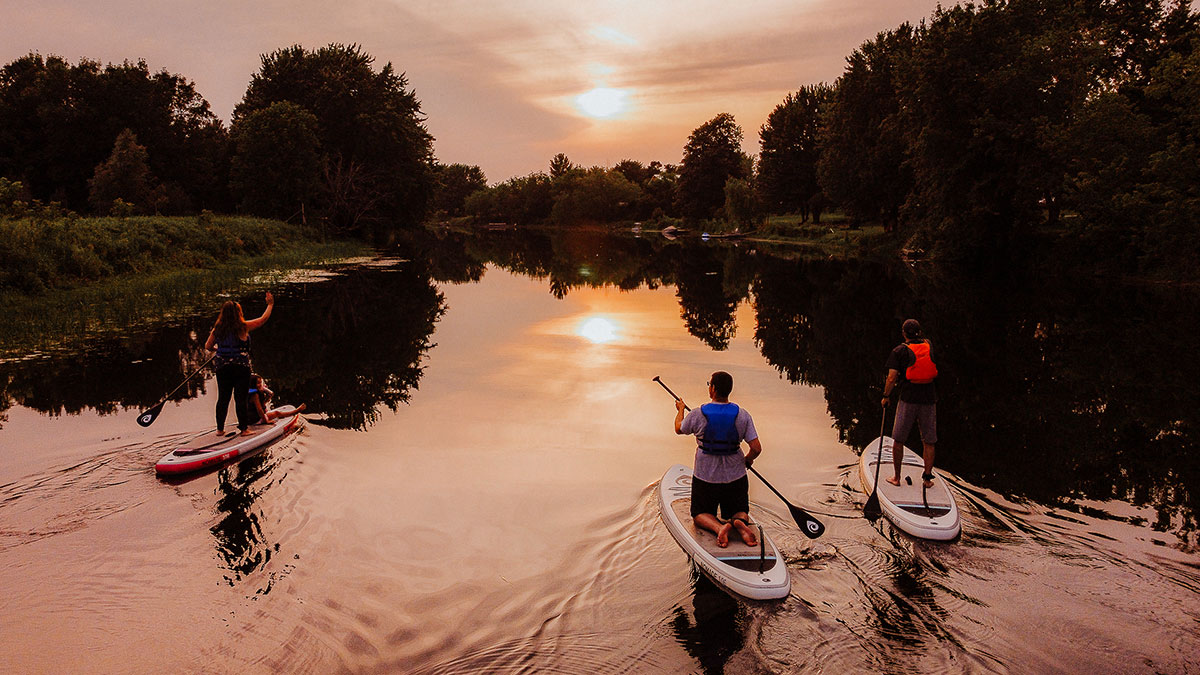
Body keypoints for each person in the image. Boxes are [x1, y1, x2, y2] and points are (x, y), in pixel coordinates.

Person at [673, 371, 762, 548]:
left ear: (712, 389)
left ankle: (718, 527)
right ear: (729, 390)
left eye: (709, 385)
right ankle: (738, 522)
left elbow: (678, 428)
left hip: (706, 477)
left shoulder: (698, 413)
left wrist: (681, 409)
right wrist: (747, 460)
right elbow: (756, 448)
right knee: (739, 510)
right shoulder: (743, 415)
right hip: (735, 476)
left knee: (700, 514)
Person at [204, 292, 274, 436]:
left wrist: (218, 349)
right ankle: (244, 429)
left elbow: (208, 346)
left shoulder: (217, 329)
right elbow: (263, 319)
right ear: (238, 313)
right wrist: (270, 304)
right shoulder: (243, 326)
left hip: (222, 367)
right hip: (241, 368)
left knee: (223, 398)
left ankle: (219, 429)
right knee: (240, 398)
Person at [881, 318, 939, 488]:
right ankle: (927, 479)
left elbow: (892, 378)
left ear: (904, 333)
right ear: (920, 332)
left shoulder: (899, 351)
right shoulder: (929, 345)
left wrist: (886, 396)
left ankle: (896, 478)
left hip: (908, 398)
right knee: (929, 441)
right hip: (929, 397)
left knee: (898, 439)